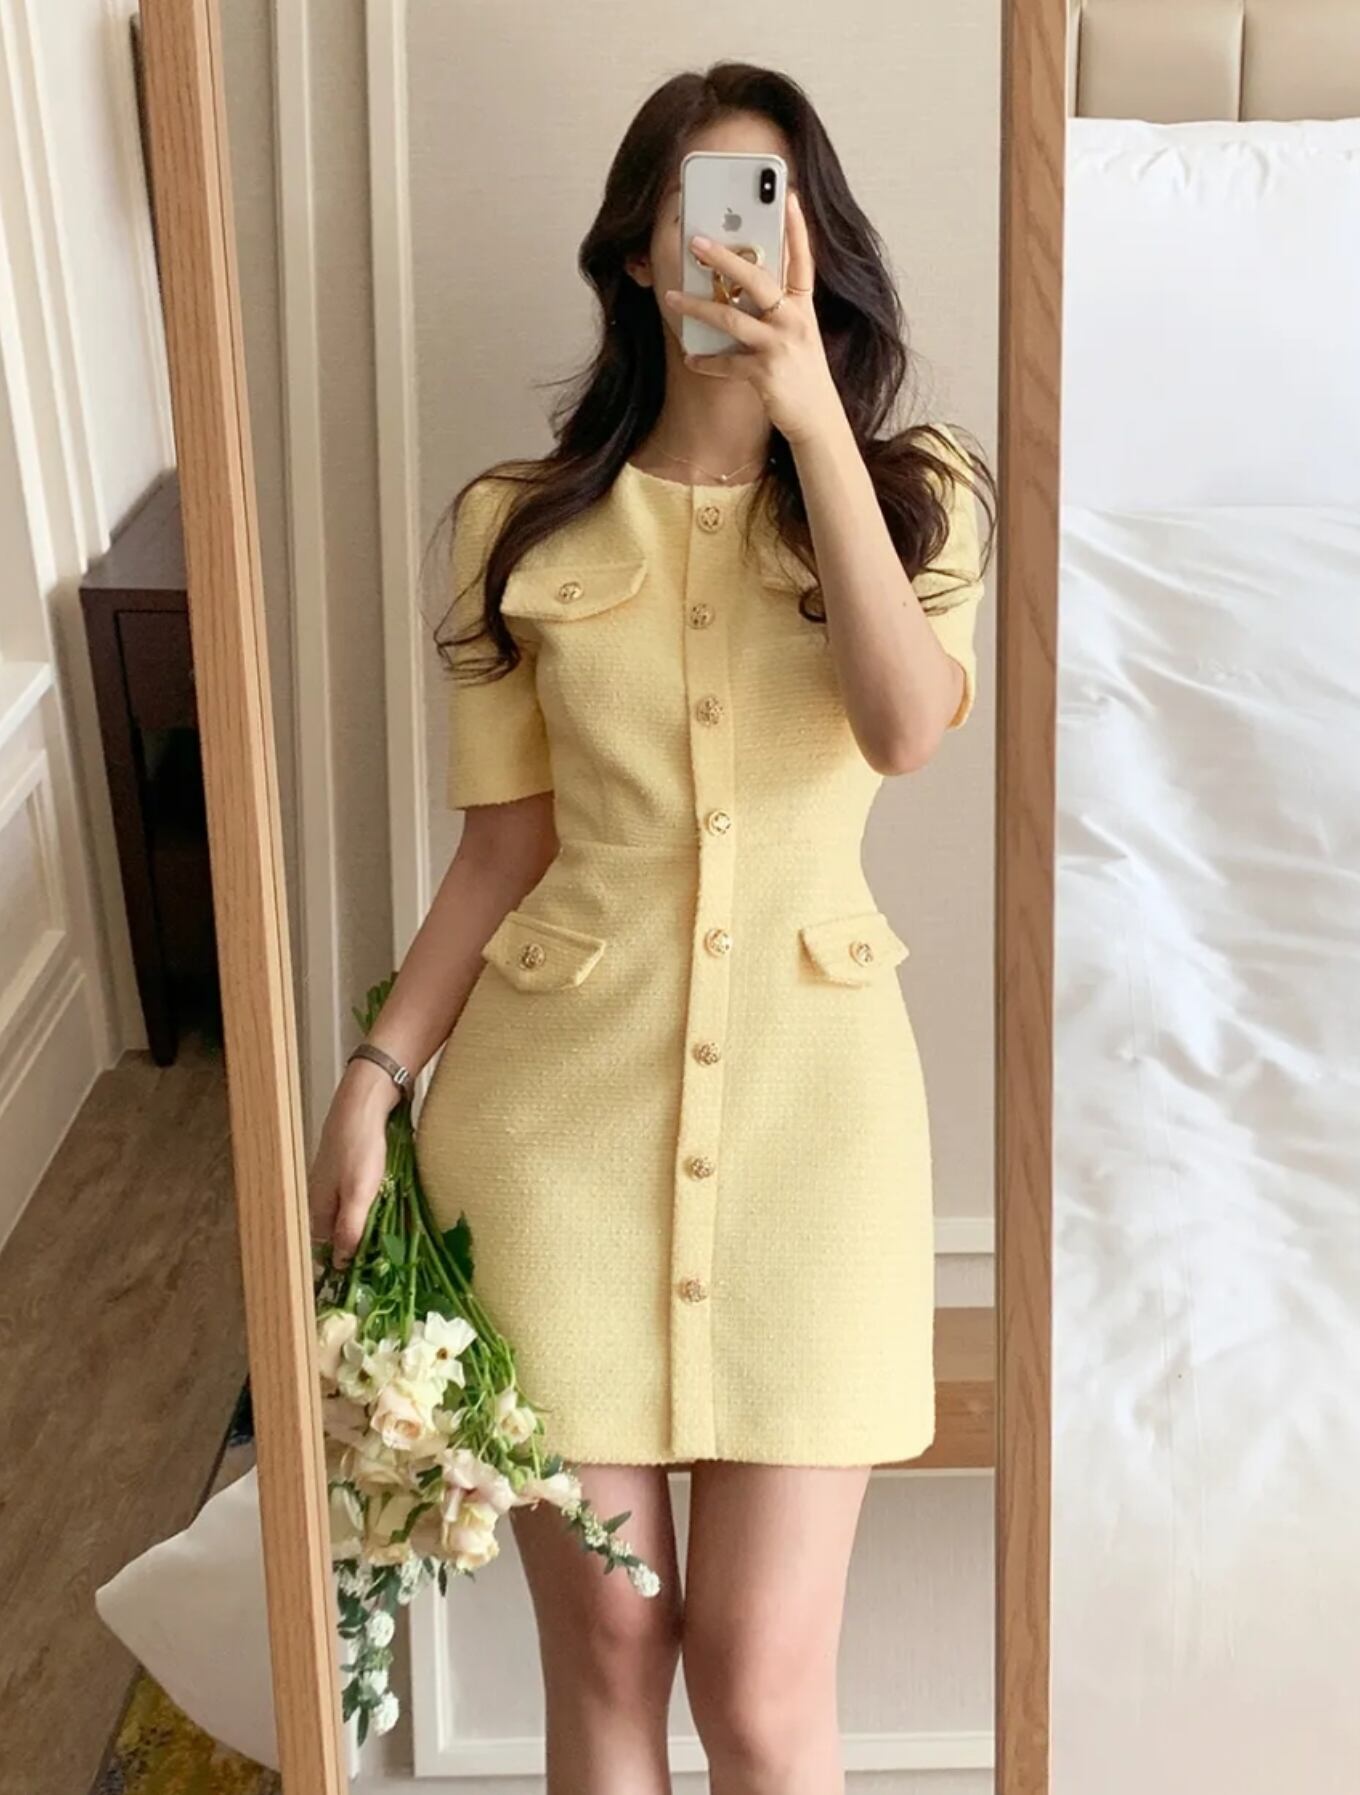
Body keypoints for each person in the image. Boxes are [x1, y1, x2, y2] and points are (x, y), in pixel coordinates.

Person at [309, 59, 994, 1795]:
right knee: (611, 1653)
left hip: (817, 1136)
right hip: (550, 1135)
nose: (738, 250)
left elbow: (905, 729)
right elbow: (500, 855)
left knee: (759, 1682)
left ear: (821, 243)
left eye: (775, 210)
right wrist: (378, 1077)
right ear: (636, 250)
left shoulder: (921, 496)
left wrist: (811, 419)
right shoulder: (513, 525)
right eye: (703, 212)